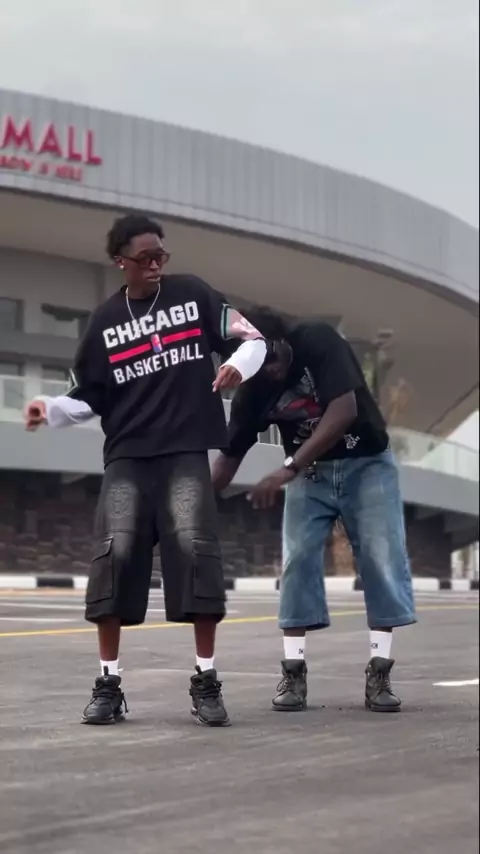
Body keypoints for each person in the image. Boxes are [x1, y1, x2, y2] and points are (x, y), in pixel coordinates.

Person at [24, 213, 267, 728]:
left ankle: (206, 680)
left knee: (197, 556)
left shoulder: (193, 296)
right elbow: (87, 397)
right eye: (146, 258)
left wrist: (236, 365)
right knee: (112, 559)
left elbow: (255, 339)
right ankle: (108, 685)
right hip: (128, 457)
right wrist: (49, 407)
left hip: (184, 452)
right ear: (121, 262)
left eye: (162, 255)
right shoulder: (104, 322)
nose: (156, 265)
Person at [211, 308, 416, 714]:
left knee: (381, 556)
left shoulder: (317, 340)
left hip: (367, 464)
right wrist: (188, 510)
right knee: (298, 558)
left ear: (283, 342)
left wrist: (288, 467)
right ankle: (294, 674)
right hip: (310, 473)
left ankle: (379, 672)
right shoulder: (253, 391)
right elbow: (228, 459)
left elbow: (345, 410)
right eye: (260, 365)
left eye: (273, 358)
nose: (270, 370)